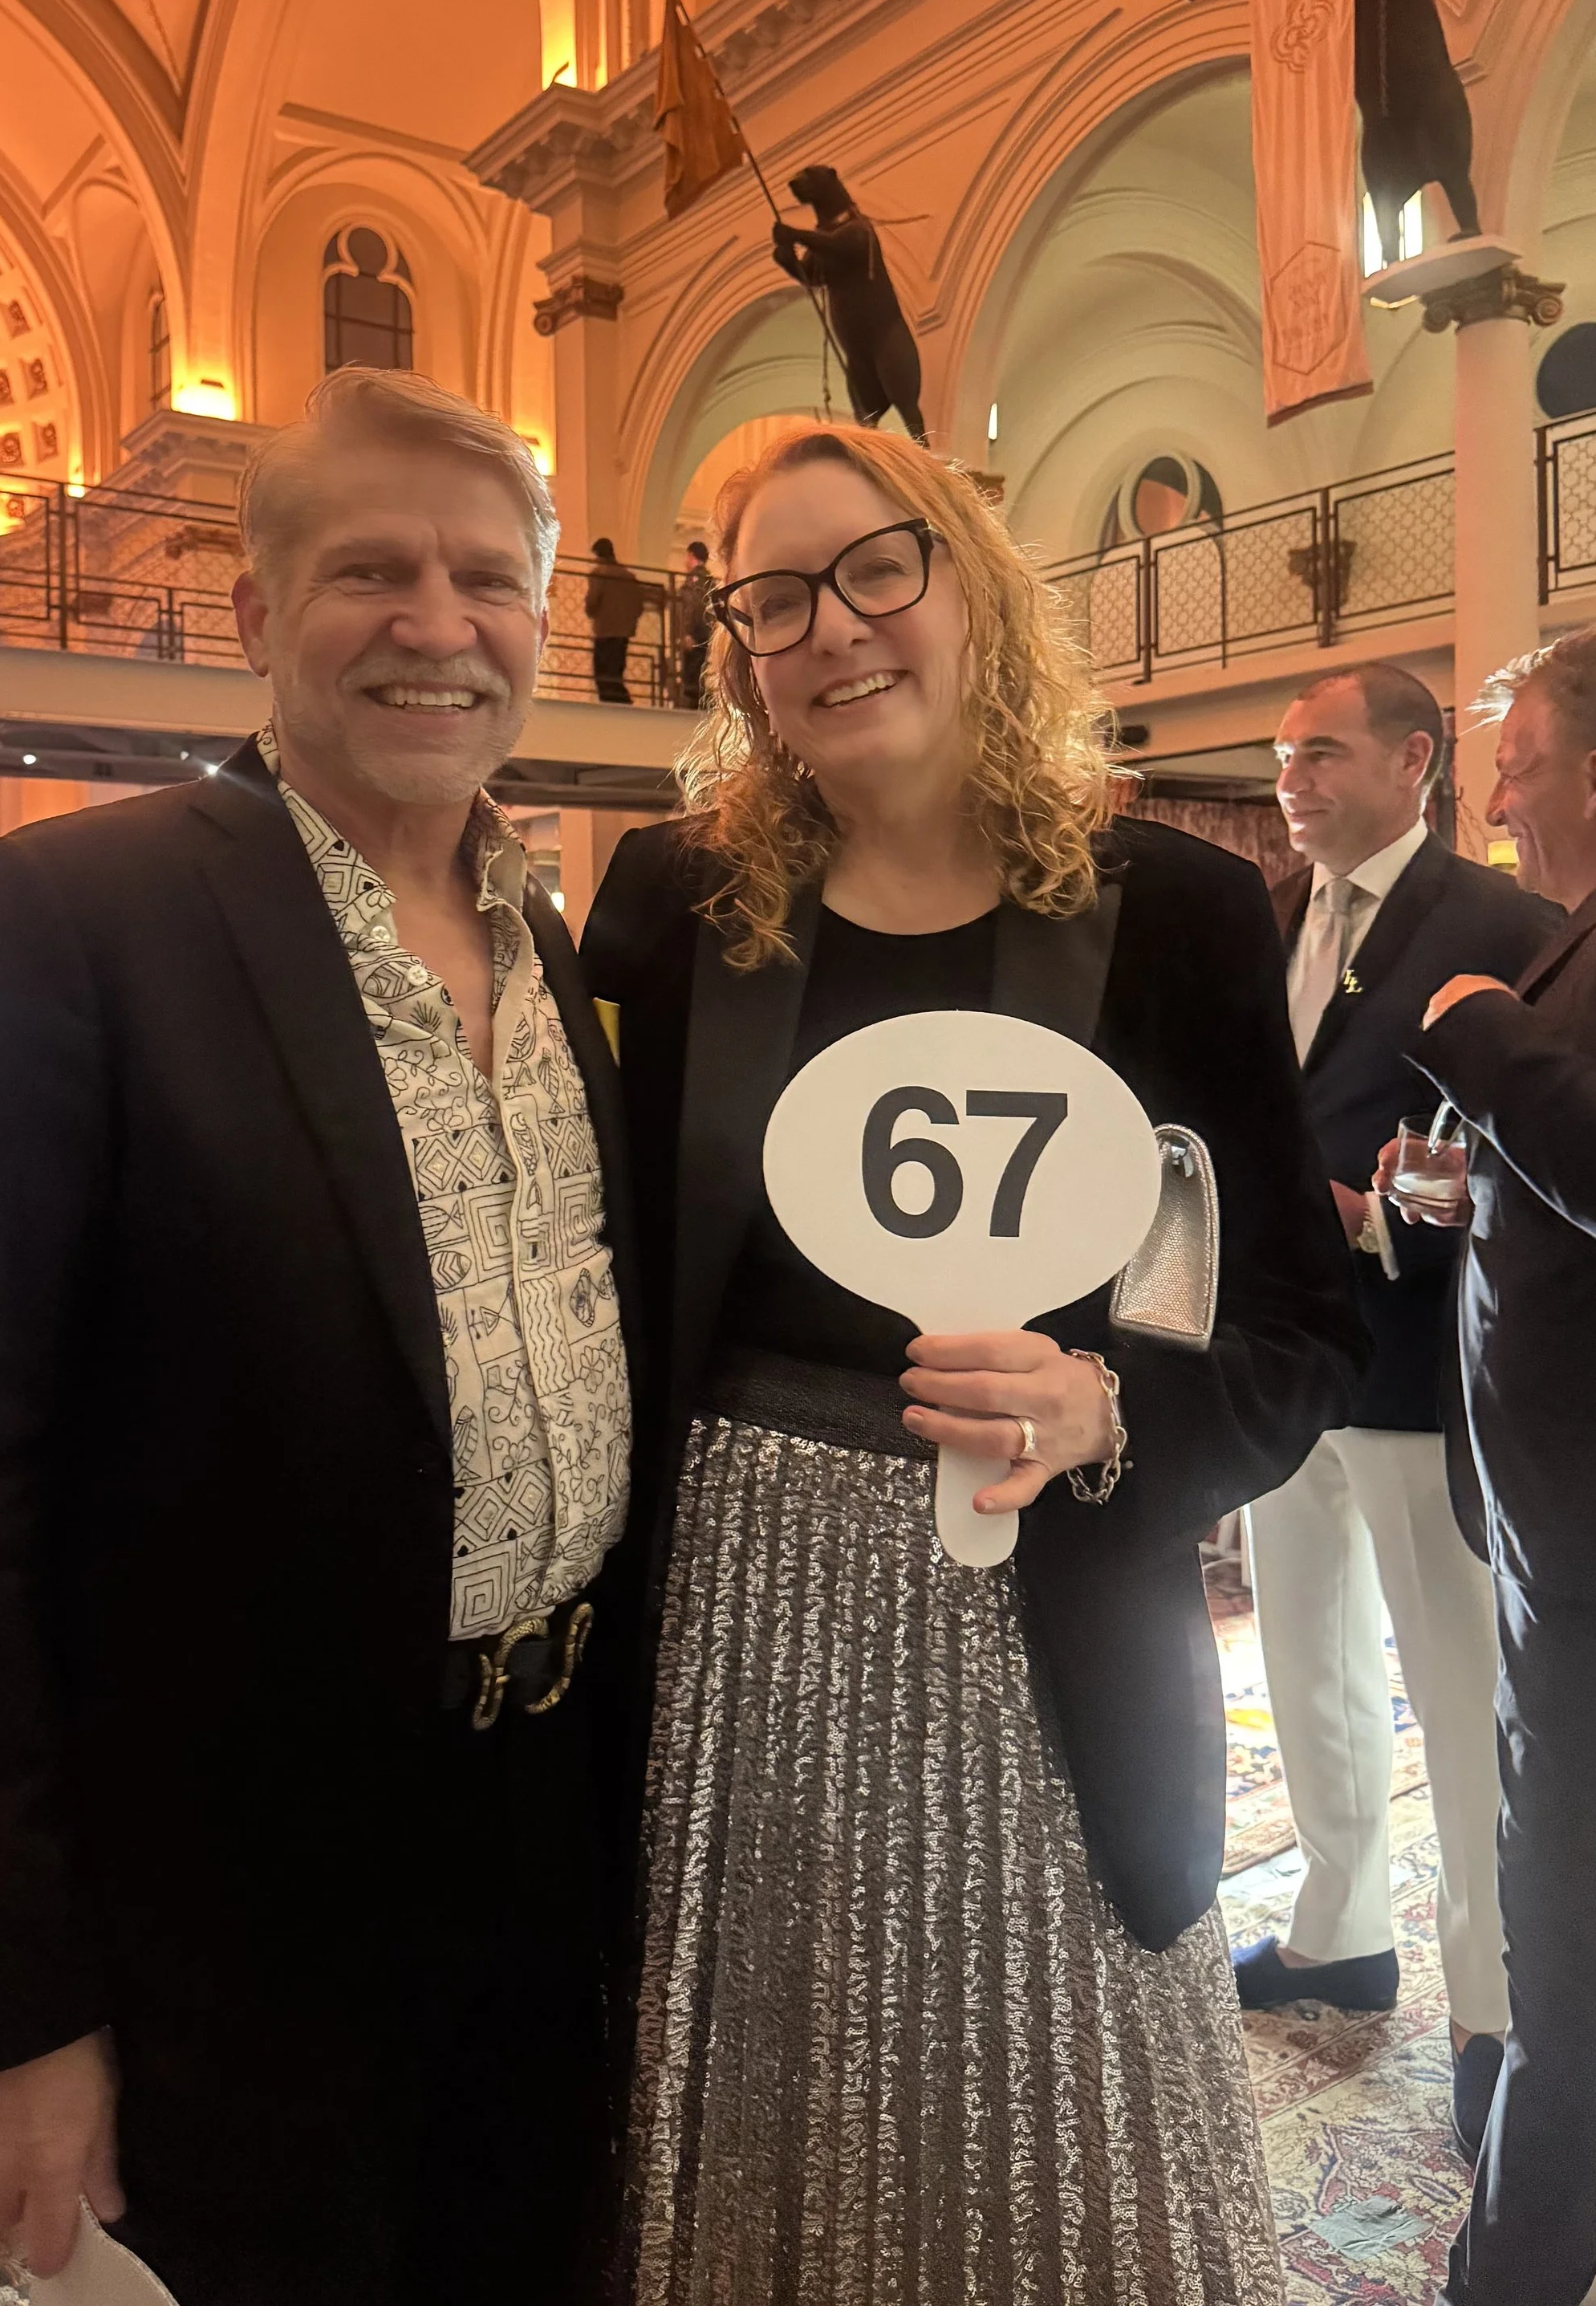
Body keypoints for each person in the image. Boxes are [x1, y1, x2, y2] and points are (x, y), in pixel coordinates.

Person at [0, 368, 642, 2306]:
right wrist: (8, 2005)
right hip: (230, 1883)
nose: (436, 627)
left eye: (486, 580)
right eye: (371, 570)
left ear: (544, 618)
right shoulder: (69, 915)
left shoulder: (569, 956)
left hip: (554, 1827)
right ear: (256, 613)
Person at [582, 425, 1364, 2303]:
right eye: (772, 600)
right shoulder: (671, 901)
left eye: (873, 570)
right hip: (729, 1638)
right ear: (740, 650)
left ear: (965, 585)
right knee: (762, 2110)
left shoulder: (1170, 909)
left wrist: (1114, 1405)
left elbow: (1301, 1328)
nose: (831, 630)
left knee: (1056, 2129)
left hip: (1050, 1619)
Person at [1376, 624, 1596, 2306]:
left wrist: (1483, 1044)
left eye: (1508, 767)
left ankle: (1500, 2280)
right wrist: (1470, 1181)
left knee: (1573, 1960)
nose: (1492, 802)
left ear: (1591, 770)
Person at [1237, 663, 1557, 2152]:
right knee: (1304, 1659)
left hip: (1421, 1360)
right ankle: (1337, 1925)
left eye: (1322, 748)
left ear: (1415, 758)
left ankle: (1494, 2008)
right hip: (1273, 1356)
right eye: (1283, 751)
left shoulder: (1501, 922)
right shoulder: (1266, 912)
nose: (1291, 773)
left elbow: (1548, 1146)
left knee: (1458, 1696)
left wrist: (1401, 1204)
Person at [584, 533, 654, 701]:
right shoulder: (629, 576)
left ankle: (613, 702)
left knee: (602, 672)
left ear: (598, 555)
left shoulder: (600, 573)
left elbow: (592, 601)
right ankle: (621, 700)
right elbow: (639, 605)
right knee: (616, 670)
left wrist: (591, 611)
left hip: (605, 630)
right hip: (624, 631)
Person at [672, 539, 713, 706]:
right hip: (706, 635)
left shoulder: (695, 580)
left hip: (695, 637)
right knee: (701, 674)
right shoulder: (710, 580)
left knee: (692, 678)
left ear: (691, 556)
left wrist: (686, 633)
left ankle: (691, 708)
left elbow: (692, 606)